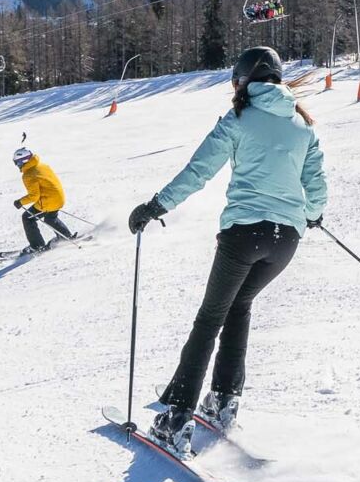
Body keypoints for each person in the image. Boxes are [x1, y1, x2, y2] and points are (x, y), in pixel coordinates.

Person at [128, 45, 327, 452]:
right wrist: (310, 215)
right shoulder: (302, 124)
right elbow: (316, 184)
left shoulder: (237, 119)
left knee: (210, 318)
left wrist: (155, 206)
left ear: (244, 80)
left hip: (243, 235)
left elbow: (198, 171)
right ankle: (222, 401)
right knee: (239, 307)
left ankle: (177, 417)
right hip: (284, 242)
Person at [13, 146, 76, 254]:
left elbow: (34, 196)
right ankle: (65, 237)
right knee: (50, 218)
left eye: (17, 163)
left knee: (27, 218)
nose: (18, 166)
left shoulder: (28, 174)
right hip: (59, 198)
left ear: (23, 161)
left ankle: (37, 246)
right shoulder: (43, 166)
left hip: (48, 202)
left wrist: (20, 202)